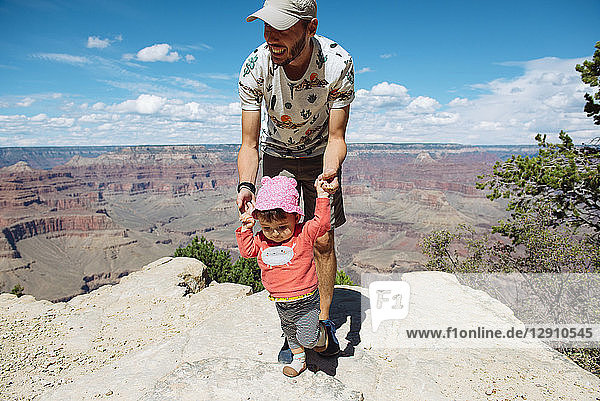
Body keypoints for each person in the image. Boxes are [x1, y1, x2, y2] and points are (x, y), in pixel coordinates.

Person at [237, 0, 355, 363]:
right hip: (276, 153)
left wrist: (330, 173)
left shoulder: (337, 64)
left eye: (281, 27)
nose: (270, 35)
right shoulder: (255, 66)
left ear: (310, 27)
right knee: (277, 238)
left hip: (320, 154)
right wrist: (246, 186)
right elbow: (249, 143)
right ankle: (293, 333)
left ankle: (320, 324)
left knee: (320, 239)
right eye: (266, 26)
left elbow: (337, 138)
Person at [236, 175, 334, 377]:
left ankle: (323, 333)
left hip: (306, 300)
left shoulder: (303, 233)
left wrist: (322, 196)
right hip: (280, 301)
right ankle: (299, 361)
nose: (275, 233)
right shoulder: (261, 239)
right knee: (290, 331)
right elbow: (247, 252)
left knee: (308, 338)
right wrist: (247, 229)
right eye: (267, 228)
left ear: (295, 218)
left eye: (282, 227)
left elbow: (322, 224)